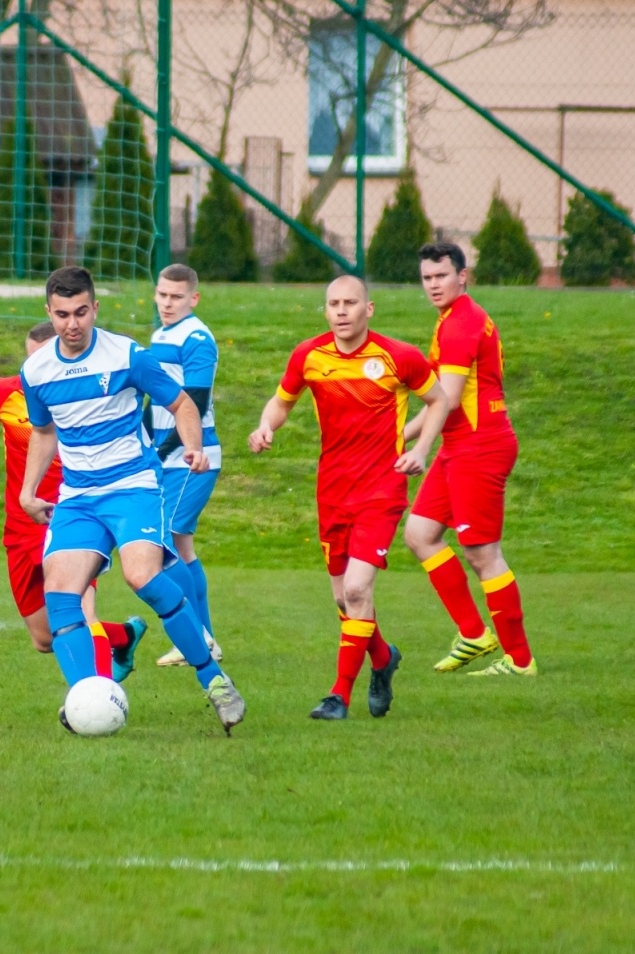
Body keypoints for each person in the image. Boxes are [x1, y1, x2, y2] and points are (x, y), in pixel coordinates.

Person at [18, 266, 245, 733]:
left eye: (81, 312)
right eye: (61, 315)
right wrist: (27, 491)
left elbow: (181, 402)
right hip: (79, 496)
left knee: (142, 575)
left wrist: (193, 446)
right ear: (49, 312)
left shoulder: (125, 354)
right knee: (60, 596)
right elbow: (43, 432)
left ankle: (214, 678)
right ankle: (88, 697)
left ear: (95, 308)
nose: (72, 324)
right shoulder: (35, 370)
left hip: (132, 485)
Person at [248, 275, 448, 721]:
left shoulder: (398, 357)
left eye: (350, 303)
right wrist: (266, 427)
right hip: (333, 490)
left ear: (368, 309)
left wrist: (420, 449)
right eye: (333, 303)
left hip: (382, 488)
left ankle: (338, 696)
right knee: (344, 600)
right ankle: (382, 658)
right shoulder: (310, 356)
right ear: (326, 310)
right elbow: (281, 402)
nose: (341, 311)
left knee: (358, 589)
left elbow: (439, 400)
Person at [0, 322, 147, 679]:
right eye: (30, 362)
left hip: (72, 519)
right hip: (20, 527)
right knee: (45, 638)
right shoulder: (6, 393)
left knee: (81, 617)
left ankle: (98, 699)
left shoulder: (92, 398)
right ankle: (124, 636)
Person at [402, 241, 537, 676]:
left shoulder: (461, 324)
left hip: (479, 448)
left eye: (441, 275)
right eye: (427, 278)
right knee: (420, 534)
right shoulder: (453, 319)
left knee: (482, 553)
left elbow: (448, 398)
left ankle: (519, 661)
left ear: (464, 276)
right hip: (461, 446)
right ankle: (476, 635)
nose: (434, 285)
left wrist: (416, 446)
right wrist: (397, 437)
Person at [144, 264, 224, 668]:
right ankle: (203, 637)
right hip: (166, 457)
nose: (167, 303)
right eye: (162, 294)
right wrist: (143, 441)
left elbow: (193, 401)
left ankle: (199, 637)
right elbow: (153, 397)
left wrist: (159, 451)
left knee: (166, 541)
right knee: (182, 548)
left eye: (176, 297)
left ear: (193, 298)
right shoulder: (159, 336)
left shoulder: (197, 338)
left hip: (194, 458)